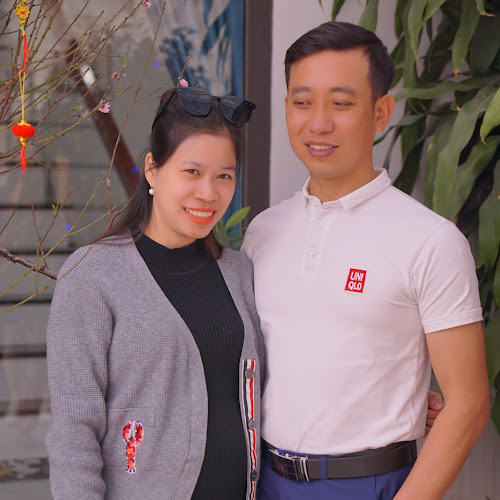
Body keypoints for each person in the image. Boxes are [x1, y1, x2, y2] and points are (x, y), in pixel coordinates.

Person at [242, 21, 490, 500]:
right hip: (263, 480)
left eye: (341, 103)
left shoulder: (431, 241)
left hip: (371, 484)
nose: (318, 123)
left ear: (381, 113)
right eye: (302, 102)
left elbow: (468, 404)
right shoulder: (263, 232)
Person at [45, 86, 265, 500]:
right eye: (192, 172)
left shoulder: (238, 272)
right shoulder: (93, 276)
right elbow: (75, 434)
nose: (209, 193)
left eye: (224, 175)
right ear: (152, 169)